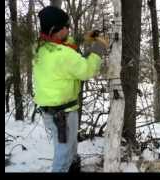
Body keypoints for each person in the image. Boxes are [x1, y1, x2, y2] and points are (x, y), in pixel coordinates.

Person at [32, 6, 107, 172]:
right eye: (66, 27)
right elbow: (86, 71)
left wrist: (84, 39)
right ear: (56, 30)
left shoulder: (41, 47)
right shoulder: (63, 55)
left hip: (51, 112)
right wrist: (98, 51)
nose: (69, 29)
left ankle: (74, 167)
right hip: (63, 114)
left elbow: (67, 46)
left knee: (70, 146)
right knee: (63, 155)